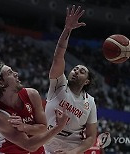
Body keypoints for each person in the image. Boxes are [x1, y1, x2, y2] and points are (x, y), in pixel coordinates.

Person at [44, 5, 97, 154]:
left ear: (87, 81)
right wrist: (67, 29)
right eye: (75, 69)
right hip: (47, 144)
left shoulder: (90, 102)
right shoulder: (58, 84)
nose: (75, 71)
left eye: (81, 71)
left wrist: (71, 153)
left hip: (72, 149)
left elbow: (91, 137)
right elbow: (58, 56)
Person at [0, 61, 68, 154]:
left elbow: (43, 128)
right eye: (10, 73)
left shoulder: (32, 94)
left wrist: (25, 127)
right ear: (0, 83)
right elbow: (29, 145)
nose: (16, 74)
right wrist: (59, 127)